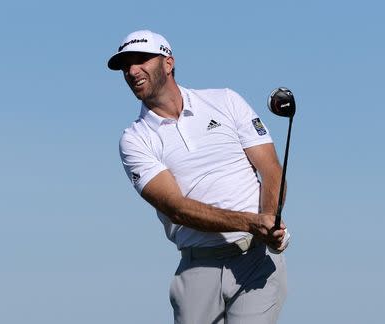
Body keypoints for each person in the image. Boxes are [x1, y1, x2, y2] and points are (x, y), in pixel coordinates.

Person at [107, 30, 289, 324]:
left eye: (141, 60)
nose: (131, 71)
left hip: (255, 260)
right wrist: (254, 223)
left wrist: (269, 220)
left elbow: (270, 169)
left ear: (168, 63)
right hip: (197, 267)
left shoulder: (225, 101)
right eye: (125, 66)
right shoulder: (135, 139)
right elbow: (176, 208)